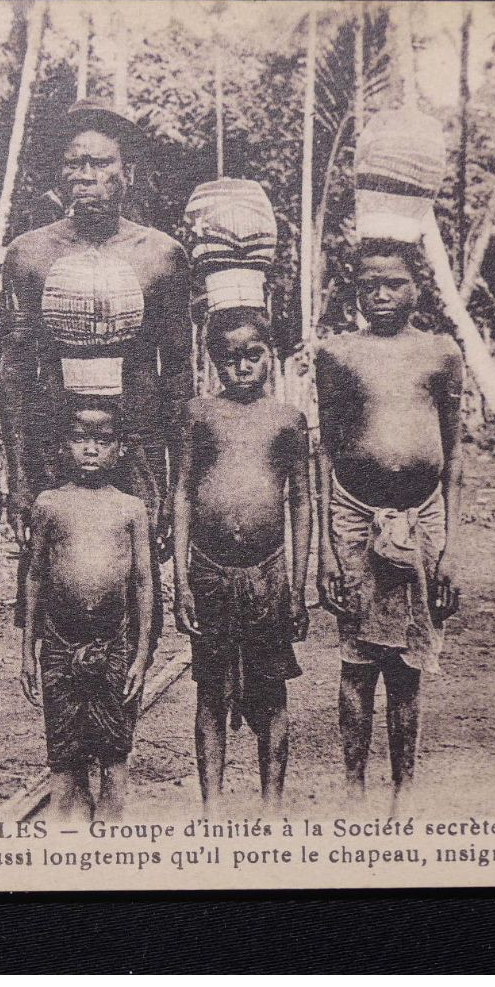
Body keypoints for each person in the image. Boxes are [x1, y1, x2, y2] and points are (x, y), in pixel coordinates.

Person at [0, 100, 193, 649]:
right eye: (75, 163)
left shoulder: (160, 256)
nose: (87, 177)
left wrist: (176, 484)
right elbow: (13, 374)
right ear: (60, 173)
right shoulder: (30, 254)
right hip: (53, 452)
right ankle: (62, 728)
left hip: (136, 452)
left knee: (133, 601)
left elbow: (178, 380)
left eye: (101, 164)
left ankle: (118, 726)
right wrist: (18, 475)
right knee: (53, 598)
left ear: (127, 172)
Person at [315, 237, 463, 815]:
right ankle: (353, 790)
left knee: (408, 666)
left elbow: (454, 457)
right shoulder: (338, 355)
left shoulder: (440, 352)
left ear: (416, 288)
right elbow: (325, 452)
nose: (381, 294)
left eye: (394, 283)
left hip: (423, 518)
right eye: (370, 283)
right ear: (355, 288)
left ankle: (404, 793)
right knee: (357, 662)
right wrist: (328, 551)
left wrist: (450, 548)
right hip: (354, 516)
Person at [173, 308, 311, 813]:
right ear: (214, 362)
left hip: (267, 573)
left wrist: (297, 587)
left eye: (253, 355)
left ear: (271, 356)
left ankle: (271, 808)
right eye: (230, 359)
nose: (243, 367)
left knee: (269, 692)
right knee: (210, 691)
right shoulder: (199, 414)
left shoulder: (287, 419)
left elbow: (300, 500)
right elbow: (183, 492)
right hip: (208, 571)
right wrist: (182, 581)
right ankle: (212, 809)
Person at [19, 395, 154, 823]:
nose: (91, 448)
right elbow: (35, 577)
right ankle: (68, 834)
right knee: (64, 752)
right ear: (63, 446)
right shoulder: (49, 504)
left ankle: (111, 836)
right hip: (59, 642)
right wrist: (28, 650)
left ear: (120, 449)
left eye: (102, 439)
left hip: (114, 641)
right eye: (80, 439)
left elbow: (144, 583)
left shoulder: (131, 508)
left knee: (115, 749)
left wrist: (140, 654)